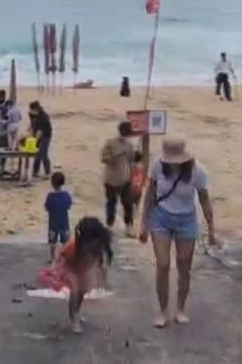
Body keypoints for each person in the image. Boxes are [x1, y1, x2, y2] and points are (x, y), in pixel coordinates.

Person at [139, 137, 218, 328]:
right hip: (161, 218)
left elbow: (204, 201)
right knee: (163, 264)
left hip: (186, 220)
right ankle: (163, 310)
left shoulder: (197, 171)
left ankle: (180, 308)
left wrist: (212, 230)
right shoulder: (158, 166)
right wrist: (144, 223)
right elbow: (150, 194)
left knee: (184, 265)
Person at [38, 216, 114, 334]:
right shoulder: (73, 246)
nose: (91, 244)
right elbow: (62, 255)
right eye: (88, 242)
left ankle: (76, 311)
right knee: (74, 290)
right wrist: (55, 267)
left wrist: (102, 276)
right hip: (70, 267)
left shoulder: (99, 244)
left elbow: (101, 262)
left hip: (83, 268)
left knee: (82, 292)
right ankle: (73, 318)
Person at [100, 121, 136, 236]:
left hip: (125, 179)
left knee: (128, 204)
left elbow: (131, 161)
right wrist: (117, 155)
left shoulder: (130, 146)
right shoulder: (110, 143)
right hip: (111, 180)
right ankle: (109, 225)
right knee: (111, 203)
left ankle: (129, 226)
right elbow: (104, 159)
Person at [44, 171, 72, 262]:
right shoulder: (66, 195)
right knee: (65, 241)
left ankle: (52, 258)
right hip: (64, 222)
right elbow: (69, 206)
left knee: (52, 242)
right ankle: (66, 257)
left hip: (53, 222)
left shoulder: (50, 196)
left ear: (52, 183)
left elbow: (47, 207)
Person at [29, 101, 53, 179]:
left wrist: (34, 140)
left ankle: (48, 173)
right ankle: (35, 172)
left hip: (46, 135)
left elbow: (40, 131)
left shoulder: (43, 116)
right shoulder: (32, 114)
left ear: (36, 109)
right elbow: (32, 126)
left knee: (43, 153)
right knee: (37, 154)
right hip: (37, 134)